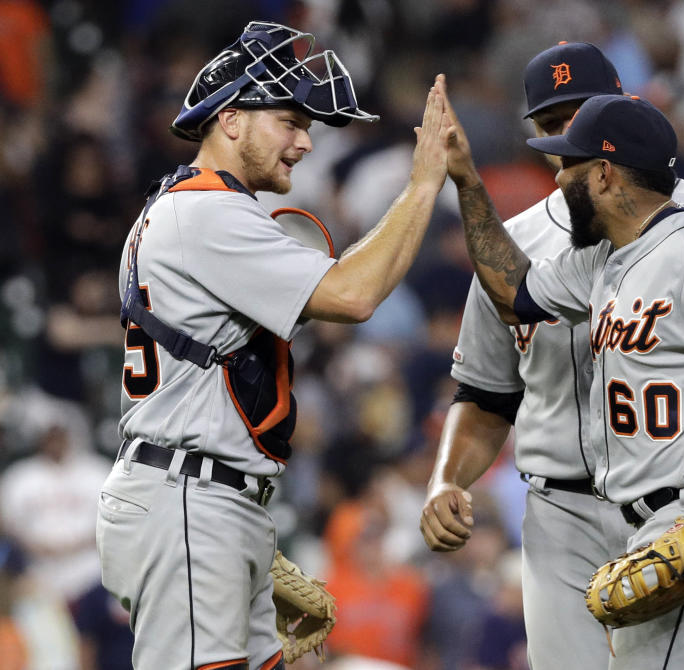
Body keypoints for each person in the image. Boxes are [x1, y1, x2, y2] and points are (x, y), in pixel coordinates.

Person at [419, 42, 684, 669]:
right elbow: (512, 305)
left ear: (612, 149)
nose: (560, 152)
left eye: (579, 127)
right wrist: (468, 183)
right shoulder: (583, 254)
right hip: (570, 511)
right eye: (552, 129)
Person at [96, 21, 450, 670]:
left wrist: (240, 519)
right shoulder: (205, 212)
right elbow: (352, 295)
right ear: (231, 120)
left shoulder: (185, 207)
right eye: (288, 121)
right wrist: (423, 183)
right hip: (188, 496)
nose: (305, 141)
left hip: (206, 495)